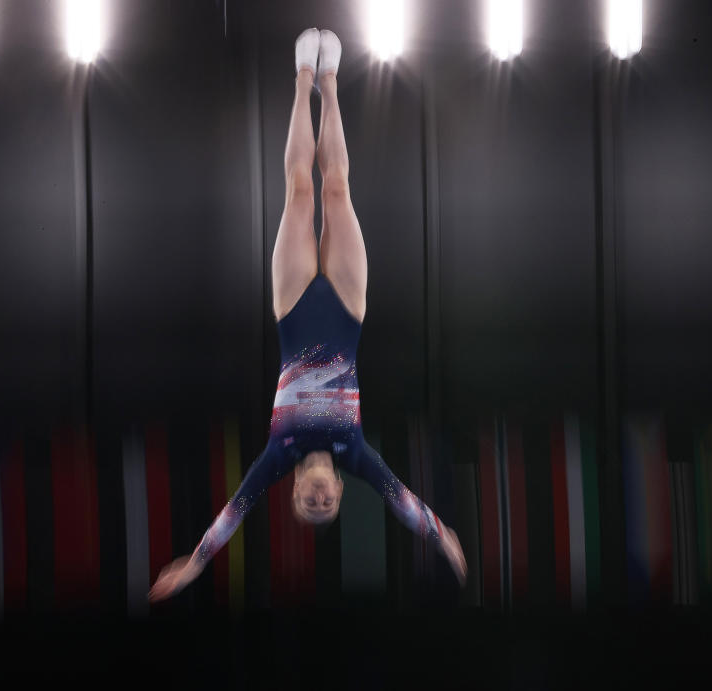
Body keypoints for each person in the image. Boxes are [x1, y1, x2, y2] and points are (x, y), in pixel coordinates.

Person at [149, 28, 466, 602]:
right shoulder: (356, 453)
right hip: (347, 308)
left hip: (293, 308)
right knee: (338, 191)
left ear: (295, 488)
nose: (317, 502)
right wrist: (441, 536)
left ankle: (301, 79)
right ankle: (330, 82)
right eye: (326, 506)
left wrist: (194, 566)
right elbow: (404, 503)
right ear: (340, 491)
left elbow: (230, 516)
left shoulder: (278, 455)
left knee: (299, 193)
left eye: (306, 505)